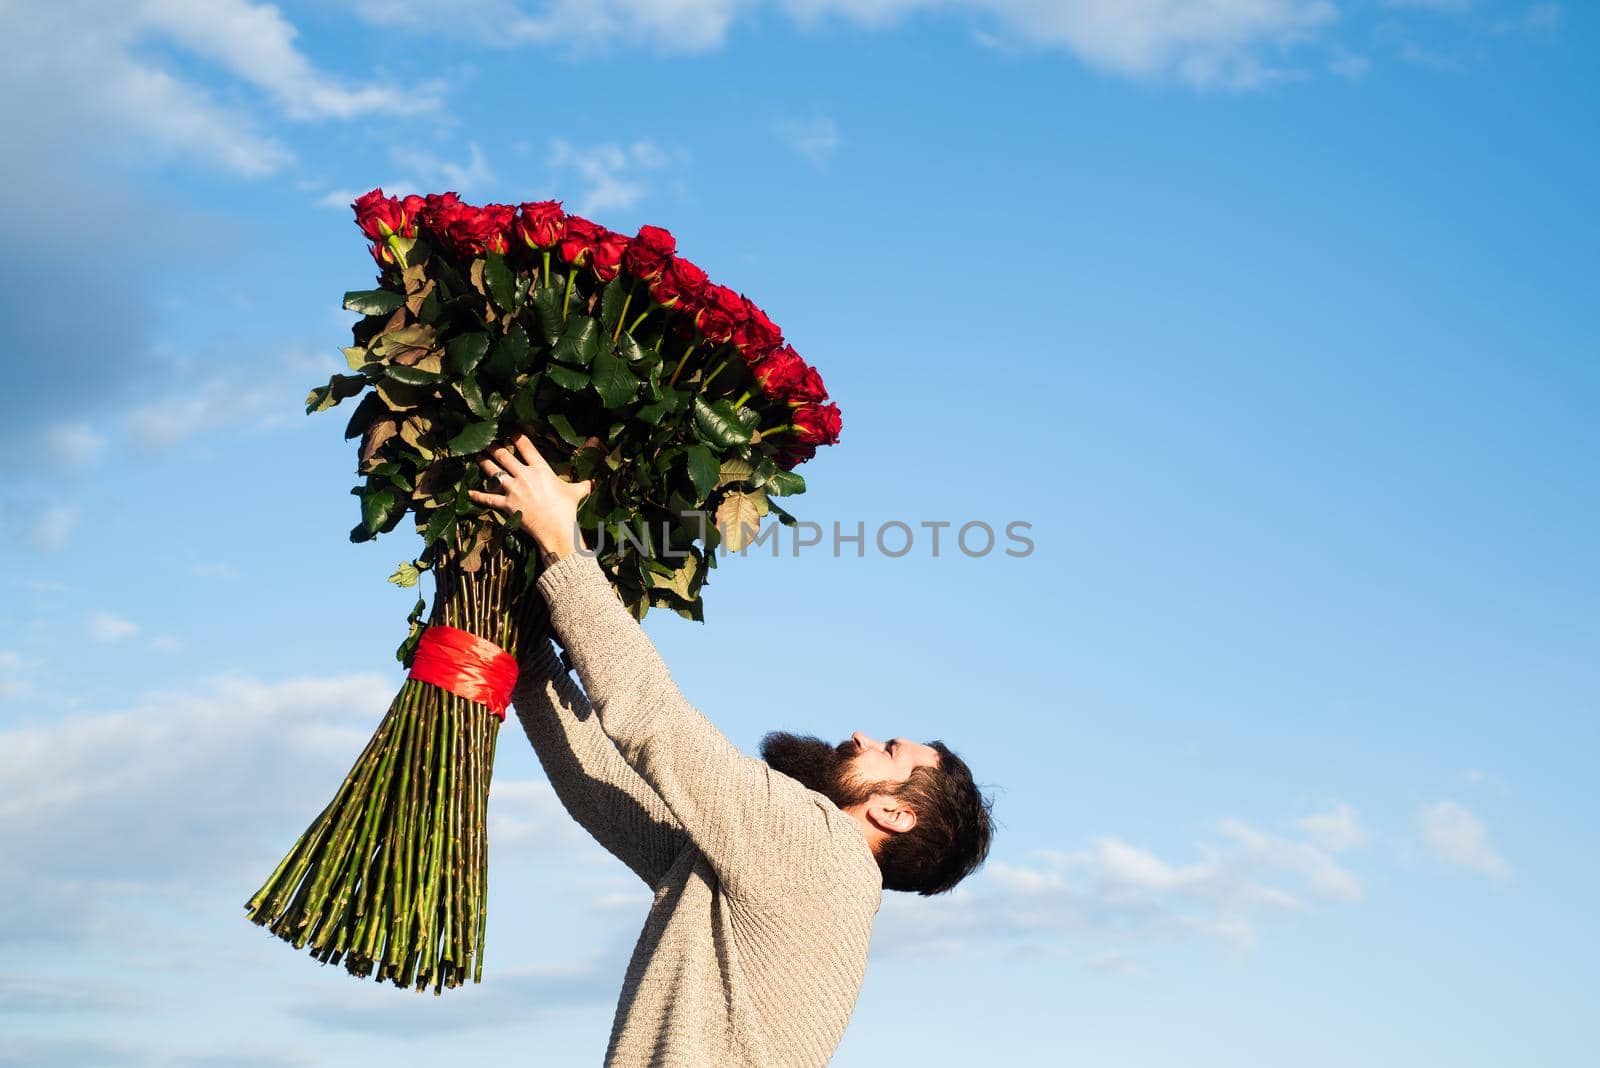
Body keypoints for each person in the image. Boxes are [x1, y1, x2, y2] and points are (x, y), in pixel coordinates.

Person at [468, 433, 994, 1068]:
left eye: (887, 750)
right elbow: (604, 793)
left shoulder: (822, 852)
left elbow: (655, 721)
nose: (860, 734)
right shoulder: (778, 874)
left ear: (896, 813)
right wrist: (523, 652)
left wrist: (561, 542)